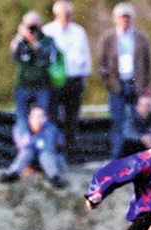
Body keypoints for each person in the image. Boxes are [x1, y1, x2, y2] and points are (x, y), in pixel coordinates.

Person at [98, 3, 151, 159]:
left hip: (137, 84)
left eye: (127, 17)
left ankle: (140, 156)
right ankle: (116, 156)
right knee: (117, 121)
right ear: (116, 19)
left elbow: (149, 66)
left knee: (140, 121)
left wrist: (148, 92)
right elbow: (102, 65)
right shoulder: (108, 39)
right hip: (117, 86)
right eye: (122, 17)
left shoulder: (141, 38)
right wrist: (111, 84)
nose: (125, 21)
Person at [43, 0, 91, 152]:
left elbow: (86, 56)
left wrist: (85, 76)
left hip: (74, 79)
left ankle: (71, 152)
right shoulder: (48, 31)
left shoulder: (78, 31)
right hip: (55, 81)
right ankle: (55, 150)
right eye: (64, 15)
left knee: (72, 118)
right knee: (53, 117)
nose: (67, 18)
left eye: (69, 14)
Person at [10, 11, 58, 150]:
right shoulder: (20, 40)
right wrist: (20, 36)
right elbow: (13, 55)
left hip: (42, 85)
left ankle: (45, 151)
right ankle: (25, 154)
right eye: (29, 26)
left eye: (34, 26)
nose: (32, 29)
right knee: (22, 121)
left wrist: (35, 43)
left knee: (43, 119)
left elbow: (50, 58)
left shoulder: (47, 40)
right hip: (23, 85)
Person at [0, 106, 67, 188]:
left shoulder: (50, 129)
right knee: (27, 151)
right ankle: (13, 173)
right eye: (36, 117)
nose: (39, 120)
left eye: (41, 117)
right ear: (30, 118)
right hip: (34, 162)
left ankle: (54, 178)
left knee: (45, 155)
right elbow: (24, 149)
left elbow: (47, 149)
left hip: (53, 160)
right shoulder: (23, 128)